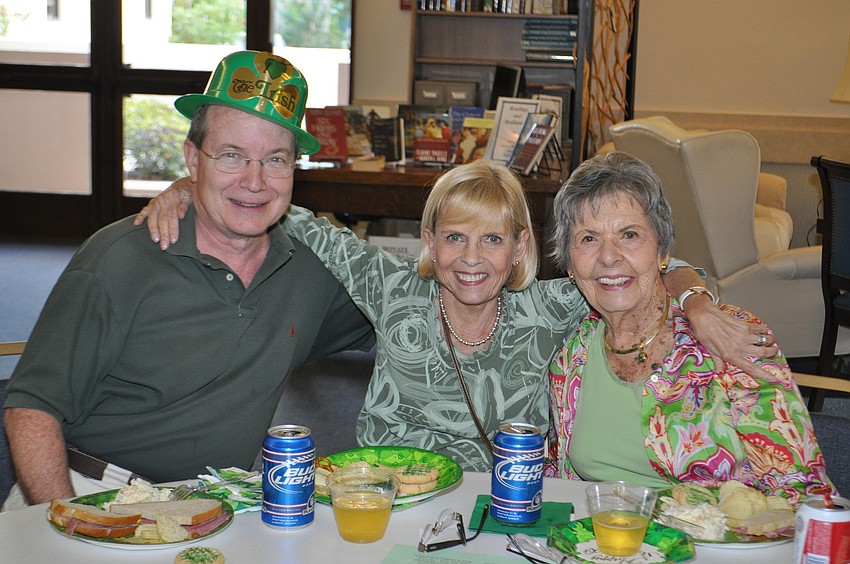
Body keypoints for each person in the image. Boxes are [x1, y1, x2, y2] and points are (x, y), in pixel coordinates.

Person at [139, 159, 775, 473]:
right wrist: (190, 188)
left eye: (493, 240)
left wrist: (696, 301)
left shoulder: (551, 304)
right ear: (427, 240)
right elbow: (291, 215)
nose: (472, 259)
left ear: (521, 247)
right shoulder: (392, 291)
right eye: (455, 238)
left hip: (496, 516)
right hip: (382, 499)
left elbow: (655, 265)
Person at [2, 51, 373, 509]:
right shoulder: (119, 260)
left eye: (275, 159)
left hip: (211, 506)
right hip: (93, 492)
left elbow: (404, 311)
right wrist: (63, 522)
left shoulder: (311, 273)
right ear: (192, 160)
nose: (254, 182)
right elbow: (31, 408)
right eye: (231, 156)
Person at [544, 152, 833, 502]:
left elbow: (802, 492)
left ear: (664, 253)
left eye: (629, 234)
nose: (608, 256)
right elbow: (560, 482)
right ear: (570, 265)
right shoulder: (570, 360)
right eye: (588, 238)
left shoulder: (728, 337)